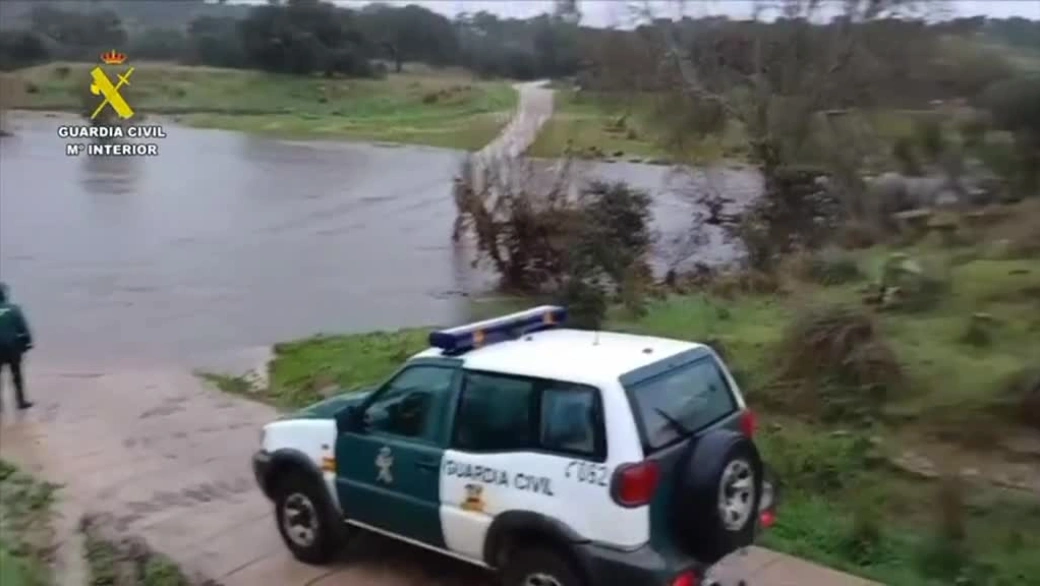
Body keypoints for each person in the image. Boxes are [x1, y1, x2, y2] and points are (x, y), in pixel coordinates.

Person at [0, 282, 33, 410]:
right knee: (16, 375)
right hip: (12, 347)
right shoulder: (14, 309)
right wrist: (28, 343)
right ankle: (20, 402)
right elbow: (23, 329)